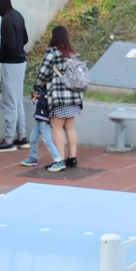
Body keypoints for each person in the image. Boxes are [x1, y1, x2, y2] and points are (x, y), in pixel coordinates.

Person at [32, 26, 85, 173]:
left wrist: (36, 90)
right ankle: (72, 158)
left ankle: (59, 160)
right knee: (69, 127)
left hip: (60, 98)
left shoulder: (53, 52)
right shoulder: (72, 53)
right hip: (74, 97)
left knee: (56, 129)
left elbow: (43, 73)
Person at [0, 0, 30, 154]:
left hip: (11, 64)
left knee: (9, 102)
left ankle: (9, 140)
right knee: (17, 101)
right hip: (21, 62)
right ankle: (21, 137)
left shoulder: (6, 19)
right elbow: (24, 38)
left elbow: (8, 45)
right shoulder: (17, 15)